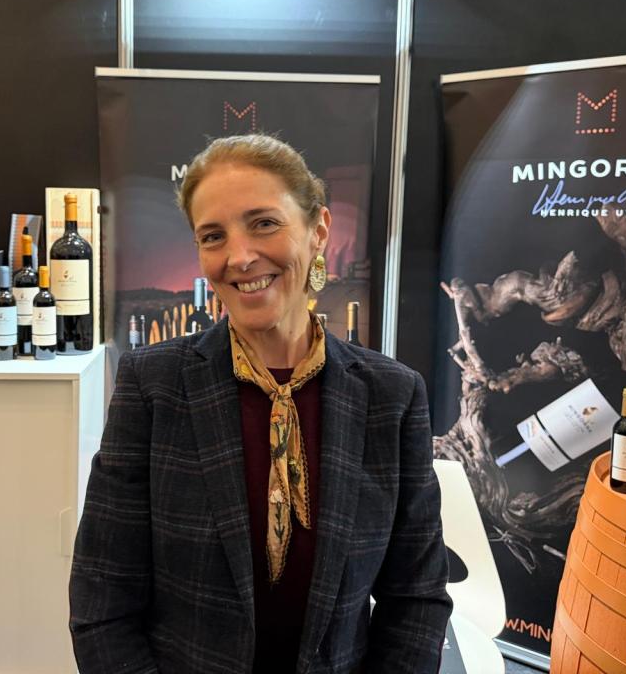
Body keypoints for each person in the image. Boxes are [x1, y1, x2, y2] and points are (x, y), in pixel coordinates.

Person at [69, 135, 450, 673]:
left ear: (318, 230)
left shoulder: (391, 396)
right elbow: (102, 600)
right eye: (213, 236)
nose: (240, 257)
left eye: (264, 223)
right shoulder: (153, 386)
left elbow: (416, 598)